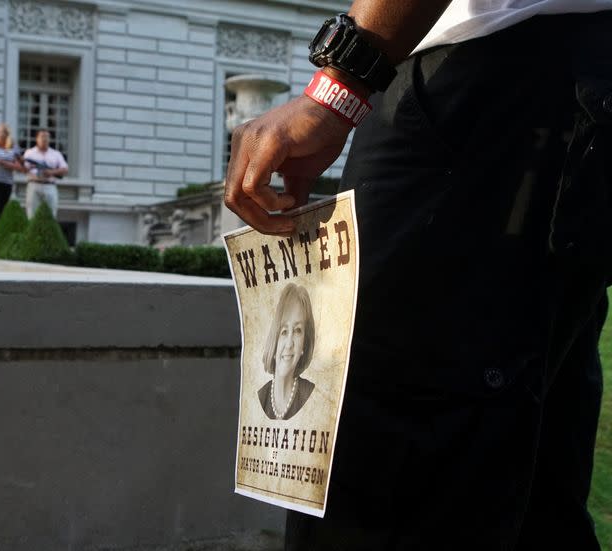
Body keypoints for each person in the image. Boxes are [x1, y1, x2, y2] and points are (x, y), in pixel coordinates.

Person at [224, 1, 611, 549]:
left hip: (484, 80)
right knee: (524, 479)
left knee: (383, 476)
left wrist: (340, 82)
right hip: (548, 86)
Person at [258, 283, 316, 421]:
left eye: (297, 331)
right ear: (274, 340)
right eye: (284, 332)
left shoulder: (312, 395)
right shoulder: (260, 397)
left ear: (304, 343)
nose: (289, 343)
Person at [23, 129, 68, 219]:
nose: (44, 139)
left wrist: (51, 172)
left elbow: (65, 169)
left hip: (50, 185)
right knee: (32, 216)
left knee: (51, 215)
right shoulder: (29, 153)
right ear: (37, 139)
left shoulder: (56, 154)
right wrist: (29, 167)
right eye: (42, 136)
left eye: (47, 137)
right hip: (34, 184)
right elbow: (23, 169)